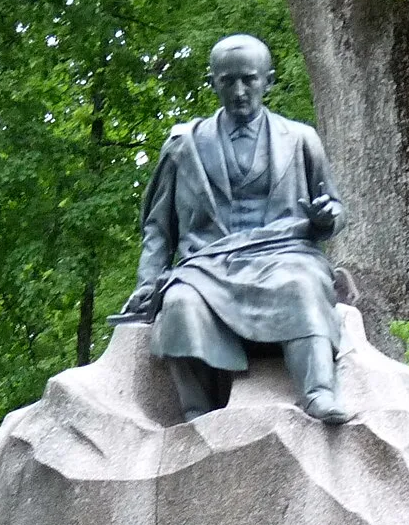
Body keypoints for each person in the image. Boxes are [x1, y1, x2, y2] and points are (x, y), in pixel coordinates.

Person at [119, 34, 350, 425]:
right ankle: (197, 413)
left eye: (249, 79)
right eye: (228, 81)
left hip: (284, 254)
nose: (240, 90)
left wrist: (327, 216)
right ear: (213, 83)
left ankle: (317, 392)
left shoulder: (300, 139)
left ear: (268, 80)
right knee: (179, 304)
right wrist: (146, 284)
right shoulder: (184, 145)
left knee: (300, 286)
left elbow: (334, 207)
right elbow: (159, 228)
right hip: (208, 263)